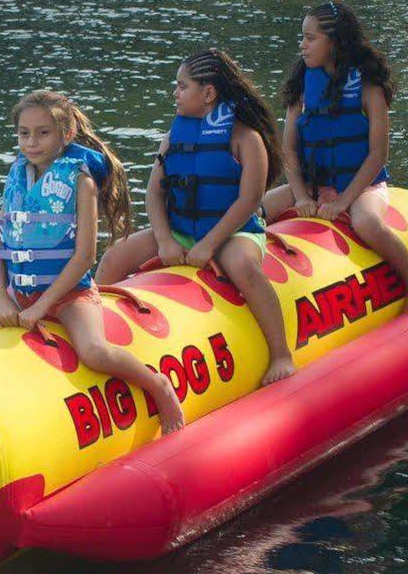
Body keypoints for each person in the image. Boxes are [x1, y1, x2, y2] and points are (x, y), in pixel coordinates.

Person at [0, 90, 186, 433]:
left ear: (65, 135)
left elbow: (85, 256)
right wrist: (0, 297)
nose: (31, 142)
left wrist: (43, 307)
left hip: (70, 296)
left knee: (95, 352)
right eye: (24, 133)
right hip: (19, 294)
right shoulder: (17, 176)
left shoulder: (80, 180)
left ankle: (157, 384)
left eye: (43, 132)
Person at [96, 49, 297, 385]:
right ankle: (100, 336)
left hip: (235, 232)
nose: (174, 93)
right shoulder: (173, 139)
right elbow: (155, 194)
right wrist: (164, 239)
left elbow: (249, 201)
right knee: (116, 256)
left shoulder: (246, 139)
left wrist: (209, 244)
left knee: (242, 265)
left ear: (208, 93)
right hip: (180, 230)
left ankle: (280, 353)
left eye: (182, 86)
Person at [262, 0, 408, 309]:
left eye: (310, 38)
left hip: (362, 188)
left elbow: (378, 155)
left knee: (366, 223)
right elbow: (288, 150)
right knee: (255, 210)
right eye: (302, 37)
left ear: (335, 41)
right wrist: (301, 196)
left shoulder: (369, 87)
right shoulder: (303, 85)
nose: (302, 45)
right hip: (315, 187)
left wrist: (343, 201)